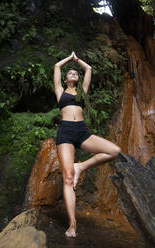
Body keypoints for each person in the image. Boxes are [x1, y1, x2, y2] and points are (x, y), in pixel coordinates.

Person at [54, 51, 121, 238]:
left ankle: (80, 167)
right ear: (66, 79)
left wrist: (78, 60)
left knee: (114, 151)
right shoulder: (60, 91)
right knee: (67, 179)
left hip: (82, 131)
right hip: (66, 132)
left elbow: (89, 68)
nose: (74, 74)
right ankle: (72, 224)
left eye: (76, 73)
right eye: (71, 73)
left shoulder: (83, 90)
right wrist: (68, 58)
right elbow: (57, 67)